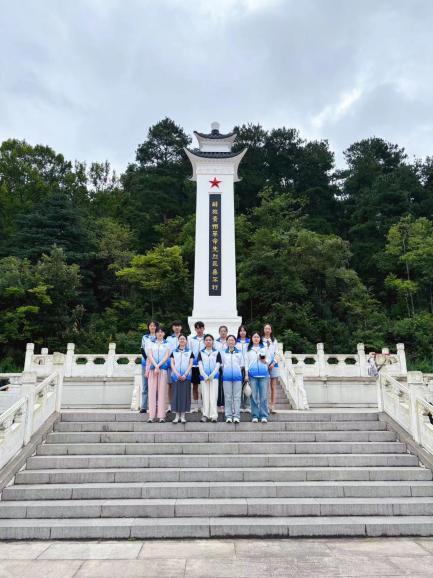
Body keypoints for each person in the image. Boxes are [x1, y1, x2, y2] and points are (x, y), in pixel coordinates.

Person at [147, 326, 171, 423]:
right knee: (152, 392)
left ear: (164, 333)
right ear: (155, 333)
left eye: (162, 332)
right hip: (152, 370)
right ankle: (151, 416)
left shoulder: (167, 344)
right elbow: (149, 355)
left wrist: (159, 365)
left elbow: (166, 356)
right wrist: (155, 366)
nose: (160, 333)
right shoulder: (151, 343)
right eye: (158, 332)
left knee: (162, 392)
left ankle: (161, 416)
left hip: (163, 369)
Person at [245, 331, 270, 423]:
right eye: (254, 337)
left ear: (260, 339)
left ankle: (263, 415)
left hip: (264, 375)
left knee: (263, 396)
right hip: (252, 375)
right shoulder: (248, 350)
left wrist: (264, 361)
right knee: (254, 396)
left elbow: (269, 359)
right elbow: (246, 363)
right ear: (251, 339)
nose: (256, 339)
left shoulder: (264, 348)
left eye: (258, 337)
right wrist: (246, 375)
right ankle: (255, 415)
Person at [198, 334, 221, 423]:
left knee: (213, 396)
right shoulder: (201, 352)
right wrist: (204, 375)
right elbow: (200, 365)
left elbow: (218, 365)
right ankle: (205, 415)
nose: (208, 341)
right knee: (205, 396)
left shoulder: (217, 352)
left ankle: (214, 416)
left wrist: (212, 375)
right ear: (204, 342)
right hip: (204, 378)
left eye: (210, 340)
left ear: (212, 341)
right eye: (206, 340)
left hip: (214, 378)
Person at [170, 334, 193, 424]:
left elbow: (190, 364)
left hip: (186, 377)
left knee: (184, 396)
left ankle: (183, 416)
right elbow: (172, 364)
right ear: (178, 340)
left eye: (184, 339)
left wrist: (185, 374)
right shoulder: (174, 351)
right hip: (176, 377)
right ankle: (176, 416)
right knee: (176, 396)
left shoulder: (190, 352)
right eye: (181, 339)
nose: (182, 340)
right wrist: (177, 374)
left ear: (186, 341)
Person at [221, 335, 243, 423]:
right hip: (226, 378)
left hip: (237, 378)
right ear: (227, 342)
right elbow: (222, 365)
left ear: (235, 342)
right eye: (229, 340)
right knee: (228, 397)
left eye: (232, 340)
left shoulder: (239, 353)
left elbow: (241, 365)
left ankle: (236, 416)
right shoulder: (223, 353)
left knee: (237, 397)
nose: (231, 342)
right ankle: (228, 416)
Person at [139, 320, 158, 414]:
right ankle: (143, 406)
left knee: (156, 386)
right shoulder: (145, 337)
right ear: (148, 327)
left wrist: (154, 361)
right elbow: (142, 349)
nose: (152, 327)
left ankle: (155, 406)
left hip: (156, 364)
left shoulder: (159, 336)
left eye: (154, 326)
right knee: (145, 385)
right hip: (145, 363)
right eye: (151, 325)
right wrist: (148, 359)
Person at [262, 323, 280, 414]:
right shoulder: (261, 340)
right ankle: (264, 406)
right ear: (264, 330)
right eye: (266, 328)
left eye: (269, 328)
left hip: (274, 364)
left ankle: (272, 406)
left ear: (271, 330)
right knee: (264, 386)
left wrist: (274, 363)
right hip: (264, 364)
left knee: (273, 387)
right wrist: (265, 362)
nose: (267, 330)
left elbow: (277, 353)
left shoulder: (274, 340)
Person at [166, 321, 183, 414]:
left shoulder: (184, 337)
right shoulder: (168, 338)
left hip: (182, 365)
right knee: (170, 385)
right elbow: (166, 351)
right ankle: (170, 405)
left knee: (181, 385)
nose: (177, 327)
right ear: (172, 327)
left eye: (178, 326)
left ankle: (180, 405)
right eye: (175, 326)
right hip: (170, 365)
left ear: (181, 327)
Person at [188, 321, 205, 413]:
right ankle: (196, 405)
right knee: (194, 386)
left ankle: (202, 405)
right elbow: (189, 352)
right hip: (194, 366)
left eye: (200, 328)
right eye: (197, 328)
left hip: (204, 366)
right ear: (195, 329)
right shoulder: (191, 340)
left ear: (203, 328)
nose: (199, 330)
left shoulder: (207, 338)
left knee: (203, 386)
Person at [236, 325, 250, 413]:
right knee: (239, 387)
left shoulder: (250, 342)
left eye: (244, 330)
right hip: (239, 367)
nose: (242, 332)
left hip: (248, 367)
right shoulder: (235, 342)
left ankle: (247, 405)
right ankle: (240, 405)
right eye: (240, 331)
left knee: (248, 386)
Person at [215, 325, 228, 411]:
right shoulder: (215, 342)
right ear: (219, 332)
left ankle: (226, 402)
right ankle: (219, 403)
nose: (223, 332)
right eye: (221, 331)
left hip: (227, 366)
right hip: (218, 366)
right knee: (219, 385)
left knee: (226, 385)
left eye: (224, 331)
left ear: (227, 332)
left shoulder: (229, 341)